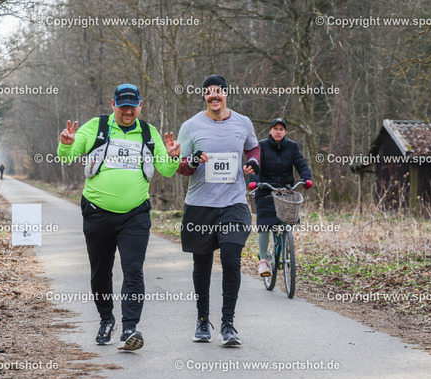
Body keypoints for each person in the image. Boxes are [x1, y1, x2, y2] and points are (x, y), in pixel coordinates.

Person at [57, 83, 181, 351]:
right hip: (97, 212)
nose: (128, 111)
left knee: (133, 269)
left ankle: (130, 327)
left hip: (135, 214)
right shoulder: (97, 127)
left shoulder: (148, 132)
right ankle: (106, 319)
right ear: (113, 104)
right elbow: (67, 157)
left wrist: (172, 157)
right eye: (123, 106)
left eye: (132, 106)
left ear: (140, 106)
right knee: (101, 271)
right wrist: (66, 145)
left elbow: (166, 170)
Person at [177, 74, 260, 347]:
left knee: (231, 258)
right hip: (200, 205)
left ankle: (228, 324)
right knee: (201, 264)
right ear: (204, 96)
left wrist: (254, 164)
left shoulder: (243, 123)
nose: (214, 96)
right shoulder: (191, 126)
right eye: (209, 92)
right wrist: (192, 161)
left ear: (226, 94)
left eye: (219, 91)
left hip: (234, 203)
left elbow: (253, 148)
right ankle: (203, 321)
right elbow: (181, 167)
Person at [249, 118, 312, 277]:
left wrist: (306, 178)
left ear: (285, 132)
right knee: (264, 225)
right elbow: (255, 166)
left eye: (281, 129)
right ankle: (263, 261)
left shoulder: (292, 147)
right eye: (275, 128)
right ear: (270, 130)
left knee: (287, 221)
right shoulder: (261, 146)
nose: (278, 131)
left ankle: (285, 248)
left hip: (285, 191)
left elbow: (301, 165)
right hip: (265, 190)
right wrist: (255, 182)